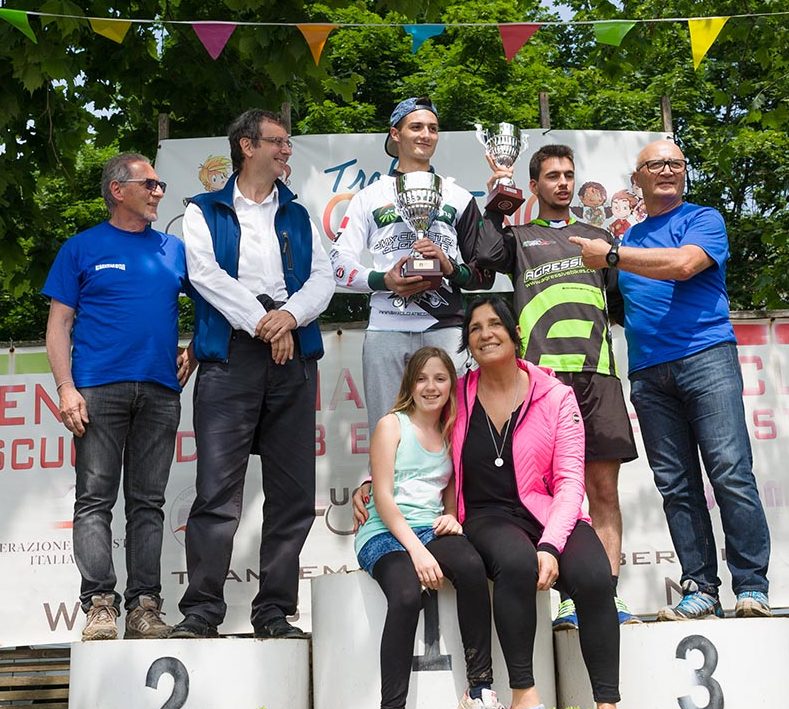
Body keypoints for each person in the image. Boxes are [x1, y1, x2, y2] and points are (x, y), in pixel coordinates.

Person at [356, 298, 638, 709]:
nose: (485, 334)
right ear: (467, 342)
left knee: (593, 576)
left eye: (494, 325)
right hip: (487, 515)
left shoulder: (555, 395)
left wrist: (552, 544)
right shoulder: (457, 394)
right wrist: (369, 484)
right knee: (515, 562)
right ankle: (525, 704)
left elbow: (571, 482)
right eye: (475, 328)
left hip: (546, 511)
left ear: (514, 333)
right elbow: (411, 441)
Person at [569, 139, 771, 620]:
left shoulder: (703, 219)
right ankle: (700, 587)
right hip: (647, 373)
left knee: (730, 472)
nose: (666, 170)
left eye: (675, 163)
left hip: (707, 358)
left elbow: (683, 265)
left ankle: (751, 586)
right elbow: (616, 305)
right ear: (636, 179)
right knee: (676, 485)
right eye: (656, 164)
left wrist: (613, 257)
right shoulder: (628, 239)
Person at [171, 109, 334, 639]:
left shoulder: (299, 214)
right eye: (278, 141)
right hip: (230, 358)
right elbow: (204, 275)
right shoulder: (203, 210)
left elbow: (323, 278)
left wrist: (289, 317)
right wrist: (265, 322)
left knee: (293, 494)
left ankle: (274, 612)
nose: (287, 150)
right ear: (247, 146)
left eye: (288, 143)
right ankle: (201, 612)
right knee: (217, 491)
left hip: (293, 355)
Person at [481, 144, 639, 629]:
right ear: (534, 186)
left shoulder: (599, 237)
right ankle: (571, 596)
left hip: (598, 375)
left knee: (603, 490)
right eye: (552, 176)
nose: (563, 183)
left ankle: (605, 595)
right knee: (551, 493)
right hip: (543, 381)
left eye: (569, 174)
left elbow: (619, 302)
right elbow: (484, 255)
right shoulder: (519, 237)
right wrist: (497, 198)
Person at [43, 152, 191, 641]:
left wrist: (195, 349)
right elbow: (59, 325)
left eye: (160, 185)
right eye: (150, 184)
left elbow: (213, 303)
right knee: (94, 501)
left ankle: (144, 608)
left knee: (148, 503)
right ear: (117, 189)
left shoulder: (173, 249)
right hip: (96, 389)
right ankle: (99, 606)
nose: (158, 192)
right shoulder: (81, 247)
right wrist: (65, 388)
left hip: (160, 390)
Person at [355, 346, 511, 709]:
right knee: (406, 595)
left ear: (450, 385)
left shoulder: (451, 430)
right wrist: (418, 553)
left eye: (440, 378)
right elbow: (383, 498)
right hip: (385, 532)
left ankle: (480, 693)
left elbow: (450, 489)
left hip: (430, 528)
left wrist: (452, 517)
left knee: (472, 566)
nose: (431, 387)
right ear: (410, 384)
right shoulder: (392, 425)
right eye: (422, 378)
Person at [330, 96, 495, 433]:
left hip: (444, 326)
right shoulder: (369, 196)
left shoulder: (458, 196)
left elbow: (484, 274)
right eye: (416, 127)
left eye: (433, 128)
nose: (426, 135)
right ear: (396, 134)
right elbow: (338, 263)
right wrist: (383, 279)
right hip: (386, 325)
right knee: (387, 430)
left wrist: (450, 268)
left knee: (454, 431)